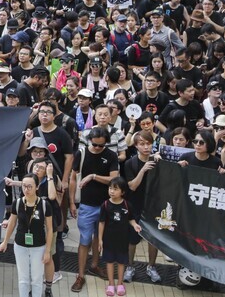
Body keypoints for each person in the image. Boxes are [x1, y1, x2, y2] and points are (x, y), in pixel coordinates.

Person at [69, 127, 119, 293]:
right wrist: (71, 202)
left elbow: (114, 178)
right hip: (86, 205)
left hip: (106, 205)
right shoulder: (81, 153)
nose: (97, 148)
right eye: (95, 144)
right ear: (89, 140)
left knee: (99, 237)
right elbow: (73, 178)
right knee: (85, 240)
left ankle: (95, 265)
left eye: (101, 145)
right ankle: (80, 275)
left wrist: (93, 176)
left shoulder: (111, 155)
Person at [0, 173, 53, 297]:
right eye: (24, 186)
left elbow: (50, 229)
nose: (26, 190)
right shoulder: (17, 203)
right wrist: (5, 241)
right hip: (20, 245)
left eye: (30, 187)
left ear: (37, 187)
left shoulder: (44, 205)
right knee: (23, 278)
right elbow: (12, 223)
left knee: (36, 278)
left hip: (38, 246)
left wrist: (47, 251)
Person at [123, 131, 161, 283]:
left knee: (153, 239)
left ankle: (151, 266)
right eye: (142, 144)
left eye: (148, 143)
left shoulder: (158, 160)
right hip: (135, 205)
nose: (146, 147)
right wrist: (143, 169)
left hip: (153, 205)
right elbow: (131, 186)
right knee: (132, 239)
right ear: (136, 146)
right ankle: (130, 266)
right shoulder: (130, 163)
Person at [98, 177, 142, 297]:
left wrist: (135, 225)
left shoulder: (127, 205)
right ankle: (111, 284)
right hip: (108, 240)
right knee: (110, 262)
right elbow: (101, 223)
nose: (112, 191)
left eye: (115, 189)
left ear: (122, 192)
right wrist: (100, 239)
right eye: (110, 188)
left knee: (122, 262)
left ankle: (120, 283)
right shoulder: (105, 205)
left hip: (123, 240)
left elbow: (131, 219)